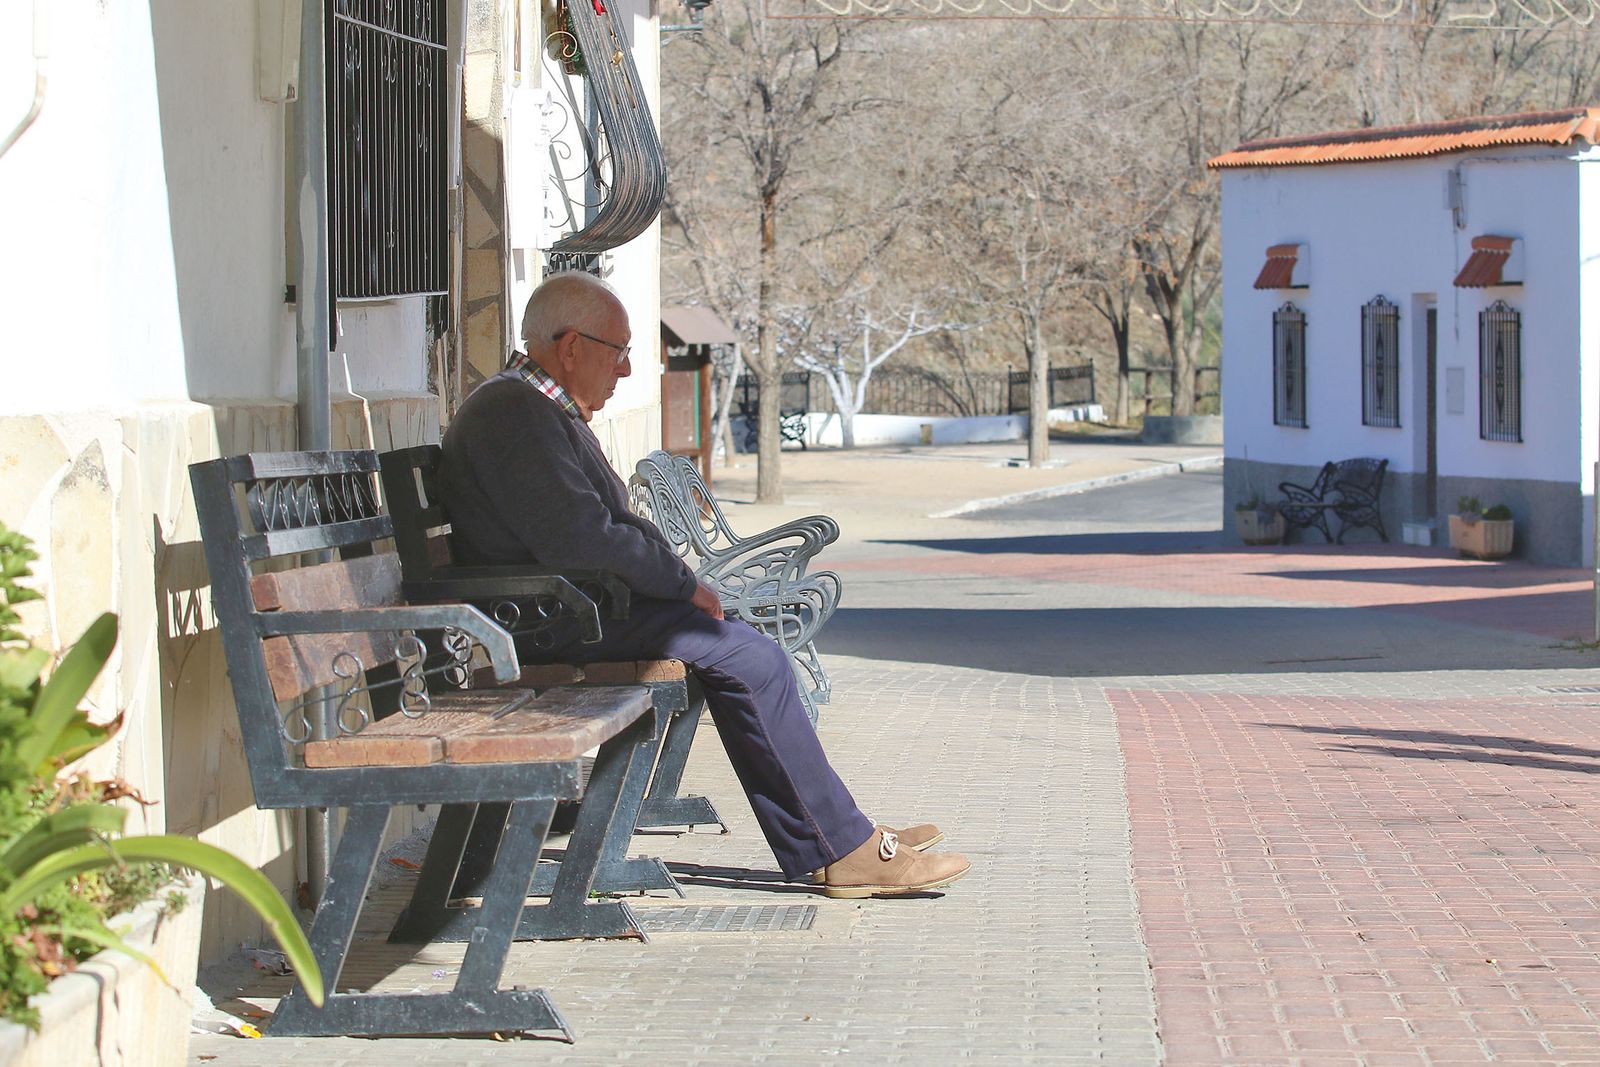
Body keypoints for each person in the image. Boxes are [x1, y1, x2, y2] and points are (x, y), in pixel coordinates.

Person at [437, 271, 970, 898]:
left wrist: (677, 580)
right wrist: (683, 585)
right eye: (618, 352)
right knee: (751, 658)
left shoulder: (535, 407)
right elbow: (585, 538)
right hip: (548, 622)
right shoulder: (515, 413)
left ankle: (838, 835)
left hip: (568, 609)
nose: (626, 370)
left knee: (746, 650)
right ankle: (844, 847)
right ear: (572, 347)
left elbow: (602, 528)